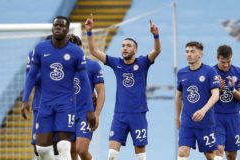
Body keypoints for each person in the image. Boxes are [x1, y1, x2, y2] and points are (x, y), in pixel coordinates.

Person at [85, 14, 161, 160]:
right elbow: (94, 51)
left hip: (138, 114)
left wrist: (156, 36)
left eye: (129, 46)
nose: (125, 48)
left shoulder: (143, 63)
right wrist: (89, 31)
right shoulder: (116, 63)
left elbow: (156, 51)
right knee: (112, 154)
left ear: (135, 50)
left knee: (140, 155)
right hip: (119, 115)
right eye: (123, 46)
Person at [21, 16, 95, 160]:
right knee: (41, 150)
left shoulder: (76, 52)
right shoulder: (40, 49)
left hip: (66, 104)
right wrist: (25, 100)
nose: (58, 28)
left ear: (67, 30)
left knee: (63, 147)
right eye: (56, 25)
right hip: (44, 104)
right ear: (52, 28)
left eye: (62, 26)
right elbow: (31, 76)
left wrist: (89, 110)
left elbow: (85, 82)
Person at [175, 41, 220, 160]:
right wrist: (177, 117)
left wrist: (203, 110)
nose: (189, 54)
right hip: (187, 121)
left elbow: (216, 94)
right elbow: (178, 96)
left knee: (210, 155)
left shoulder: (209, 71)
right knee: (182, 151)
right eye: (187, 52)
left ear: (200, 54)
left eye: (192, 51)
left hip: (206, 122)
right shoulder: (181, 73)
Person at [68, 34, 105, 160]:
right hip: (67, 113)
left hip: (85, 113)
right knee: (71, 150)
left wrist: (97, 114)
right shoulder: (61, 67)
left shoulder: (92, 66)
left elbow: (101, 92)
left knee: (81, 150)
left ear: (80, 48)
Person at [213, 45, 240, 160]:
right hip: (216, 116)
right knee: (218, 149)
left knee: (231, 154)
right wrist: (219, 89)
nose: (226, 65)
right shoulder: (210, 72)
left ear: (231, 58)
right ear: (217, 58)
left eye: (228, 61)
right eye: (223, 62)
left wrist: (232, 89)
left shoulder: (239, 72)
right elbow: (207, 98)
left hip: (233, 117)